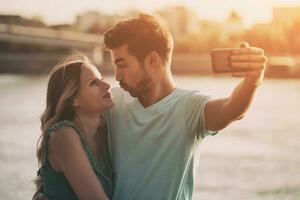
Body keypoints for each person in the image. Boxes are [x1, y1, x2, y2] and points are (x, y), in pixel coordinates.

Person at [102, 13, 267, 200]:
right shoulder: (111, 101)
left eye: (122, 65)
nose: (117, 76)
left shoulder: (189, 107)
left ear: (153, 59)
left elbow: (230, 110)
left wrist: (253, 80)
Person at [33, 53, 114, 200]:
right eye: (93, 83)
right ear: (74, 99)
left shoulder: (105, 132)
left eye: (101, 79)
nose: (107, 85)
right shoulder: (63, 135)